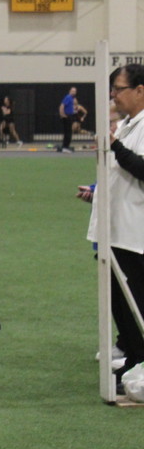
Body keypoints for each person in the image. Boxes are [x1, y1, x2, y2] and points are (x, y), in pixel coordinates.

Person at [82, 65, 144, 392]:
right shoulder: (128, 125)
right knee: (119, 304)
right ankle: (133, 359)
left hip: (136, 233)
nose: (113, 95)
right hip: (116, 231)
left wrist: (115, 146)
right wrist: (95, 193)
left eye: (119, 89)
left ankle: (140, 360)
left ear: (140, 90)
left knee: (135, 303)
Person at [58, 86, 77, 153]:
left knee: (68, 132)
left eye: (75, 91)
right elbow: (62, 106)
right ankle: (65, 146)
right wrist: (62, 114)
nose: (74, 92)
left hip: (69, 116)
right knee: (68, 132)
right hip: (67, 116)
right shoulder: (68, 97)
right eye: (72, 91)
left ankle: (65, 146)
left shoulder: (71, 98)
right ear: (70, 91)